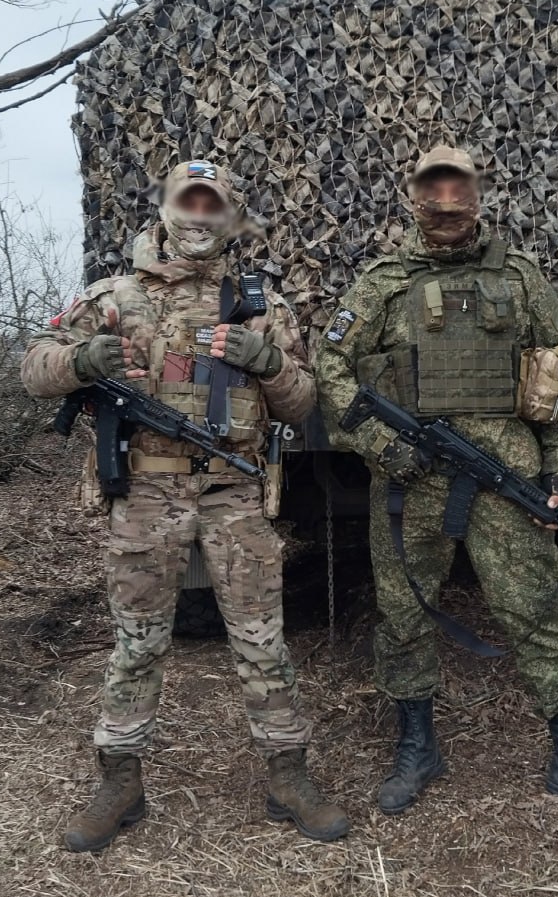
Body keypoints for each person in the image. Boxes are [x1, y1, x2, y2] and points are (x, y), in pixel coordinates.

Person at [315, 144, 558, 819]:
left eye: (456, 190)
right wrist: (383, 446)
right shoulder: (382, 284)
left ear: (477, 196)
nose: (444, 204)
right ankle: (417, 748)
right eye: (431, 191)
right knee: (405, 617)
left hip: (506, 478)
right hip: (409, 480)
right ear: (412, 197)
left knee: (536, 612)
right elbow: (331, 372)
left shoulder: (522, 280)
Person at [22, 160, 349, 851]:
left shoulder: (261, 304)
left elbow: (302, 402)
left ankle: (287, 776)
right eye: (187, 201)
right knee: (138, 642)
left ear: (230, 219)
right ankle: (119, 780)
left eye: (214, 205)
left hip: (233, 493)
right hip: (145, 491)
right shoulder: (112, 296)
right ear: (166, 208)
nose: (198, 216)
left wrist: (269, 361)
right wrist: (86, 362)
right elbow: (34, 368)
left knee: (262, 640)